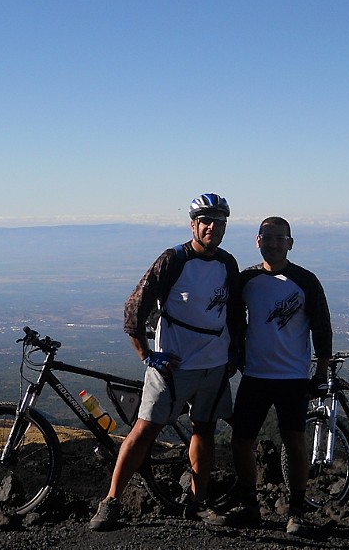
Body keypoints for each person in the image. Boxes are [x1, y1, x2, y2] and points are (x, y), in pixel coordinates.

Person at [89, 193, 244, 531]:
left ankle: (198, 502)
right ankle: (111, 502)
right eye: (205, 220)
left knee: (203, 429)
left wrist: (235, 355)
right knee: (145, 429)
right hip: (173, 367)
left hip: (214, 365)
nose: (212, 227)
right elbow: (135, 308)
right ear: (193, 224)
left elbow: (234, 312)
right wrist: (146, 355)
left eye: (219, 221)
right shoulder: (173, 259)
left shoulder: (227, 263)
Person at [229, 216, 332, 536]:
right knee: (241, 440)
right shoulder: (246, 280)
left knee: (294, 442)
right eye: (267, 237)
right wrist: (237, 354)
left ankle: (297, 510)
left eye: (279, 238)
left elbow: (322, 328)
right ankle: (250, 506)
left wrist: (321, 372)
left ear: (290, 243)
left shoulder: (305, 281)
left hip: (292, 377)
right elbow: (233, 320)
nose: (273, 243)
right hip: (256, 375)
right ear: (257, 241)